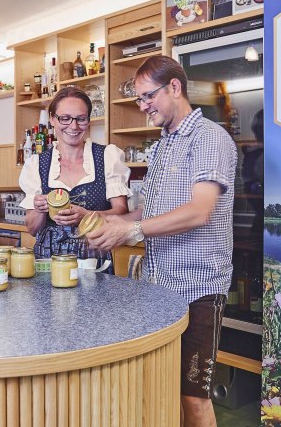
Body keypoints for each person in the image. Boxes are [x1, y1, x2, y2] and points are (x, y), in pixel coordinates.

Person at [86, 55, 237, 427]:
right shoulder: (164, 143)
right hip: (160, 287)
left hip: (198, 287)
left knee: (194, 395)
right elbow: (149, 212)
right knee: (165, 387)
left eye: (147, 96)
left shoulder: (209, 139)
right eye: (138, 100)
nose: (142, 107)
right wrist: (110, 221)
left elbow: (200, 211)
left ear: (174, 87)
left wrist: (131, 231)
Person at [19, 87, 131, 270]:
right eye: (65, 118)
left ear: (88, 120)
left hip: (93, 258)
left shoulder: (107, 157)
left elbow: (122, 211)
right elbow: (32, 229)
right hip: (48, 261)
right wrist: (39, 209)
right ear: (53, 119)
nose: (73, 126)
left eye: (80, 118)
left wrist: (87, 215)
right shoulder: (36, 164)